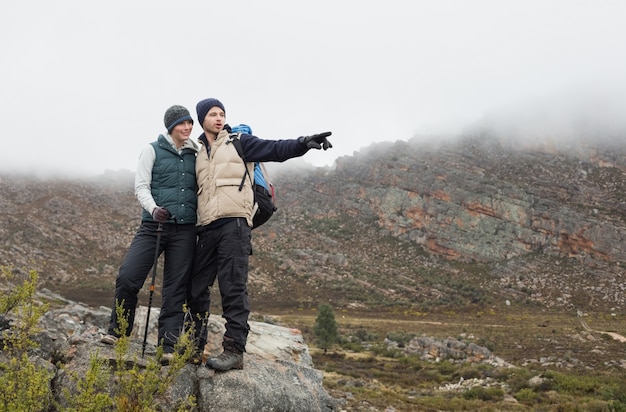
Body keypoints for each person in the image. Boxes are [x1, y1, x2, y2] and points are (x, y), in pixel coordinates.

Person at [187, 98, 332, 371]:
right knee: (195, 289)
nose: (218, 118)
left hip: (235, 225)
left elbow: (275, 149)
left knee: (232, 288)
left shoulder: (238, 141)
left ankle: (233, 351)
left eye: (222, 113)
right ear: (201, 119)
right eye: (212, 114)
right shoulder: (196, 152)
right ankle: (194, 345)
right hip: (206, 227)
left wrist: (303, 143)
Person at [101, 105, 199, 364]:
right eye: (182, 124)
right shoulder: (151, 150)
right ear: (171, 127)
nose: (187, 128)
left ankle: (168, 345)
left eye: (189, 123)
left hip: (185, 229)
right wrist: (154, 208)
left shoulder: (196, 152)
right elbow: (141, 186)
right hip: (153, 226)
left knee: (175, 289)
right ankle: (118, 332)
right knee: (128, 276)